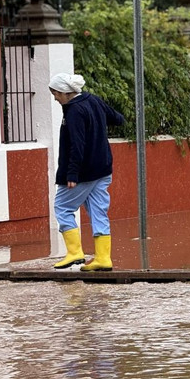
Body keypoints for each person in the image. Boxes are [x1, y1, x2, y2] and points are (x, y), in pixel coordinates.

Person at [49, 73, 124, 272]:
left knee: (62, 207)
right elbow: (117, 119)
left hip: (83, 173)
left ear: (65, 92)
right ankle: (103, 258)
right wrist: (98, 124)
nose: (55, 98)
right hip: (103, 168)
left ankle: (75, 253)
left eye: (56, 94)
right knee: (98, 211)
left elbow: (77, 144)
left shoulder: (74, 111)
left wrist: (72, 174)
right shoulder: (93, 100)